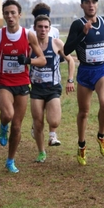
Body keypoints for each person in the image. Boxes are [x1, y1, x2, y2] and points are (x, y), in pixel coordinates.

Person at [0, 0, 46, 173]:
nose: (10, 16)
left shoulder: (28, 35)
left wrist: (27, 60)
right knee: (8, 114)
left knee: (17, 127)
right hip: (4, 82)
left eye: (13, 13)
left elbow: (42, 59)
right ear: (3, 15)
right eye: (6, 13)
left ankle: (10, 160)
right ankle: (3, 127)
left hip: (22, 83)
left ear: (19, 15)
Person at [64, 0, 104, 165]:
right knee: (84, 112)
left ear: (97, 5)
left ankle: (101, 136)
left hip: (102, 69)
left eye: (94, 2)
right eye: (87, 2)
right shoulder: (77, 24)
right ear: (82, 5)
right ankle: (82, 146)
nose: (91, 5)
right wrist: (82, 34)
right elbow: (67, 50)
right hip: (85, 71)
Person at [30, 14, 75, 162]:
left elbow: (71, 61)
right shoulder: (29, 45)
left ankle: (52, 134)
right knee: (38, 122)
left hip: (52, 88)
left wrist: (70, 80)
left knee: (54, 121)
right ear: (35, 28)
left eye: (46, 27)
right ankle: (41, 152)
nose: (43, 30)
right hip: (36, 89)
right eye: (40, 27)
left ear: (50, 29)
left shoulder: (56, 43)